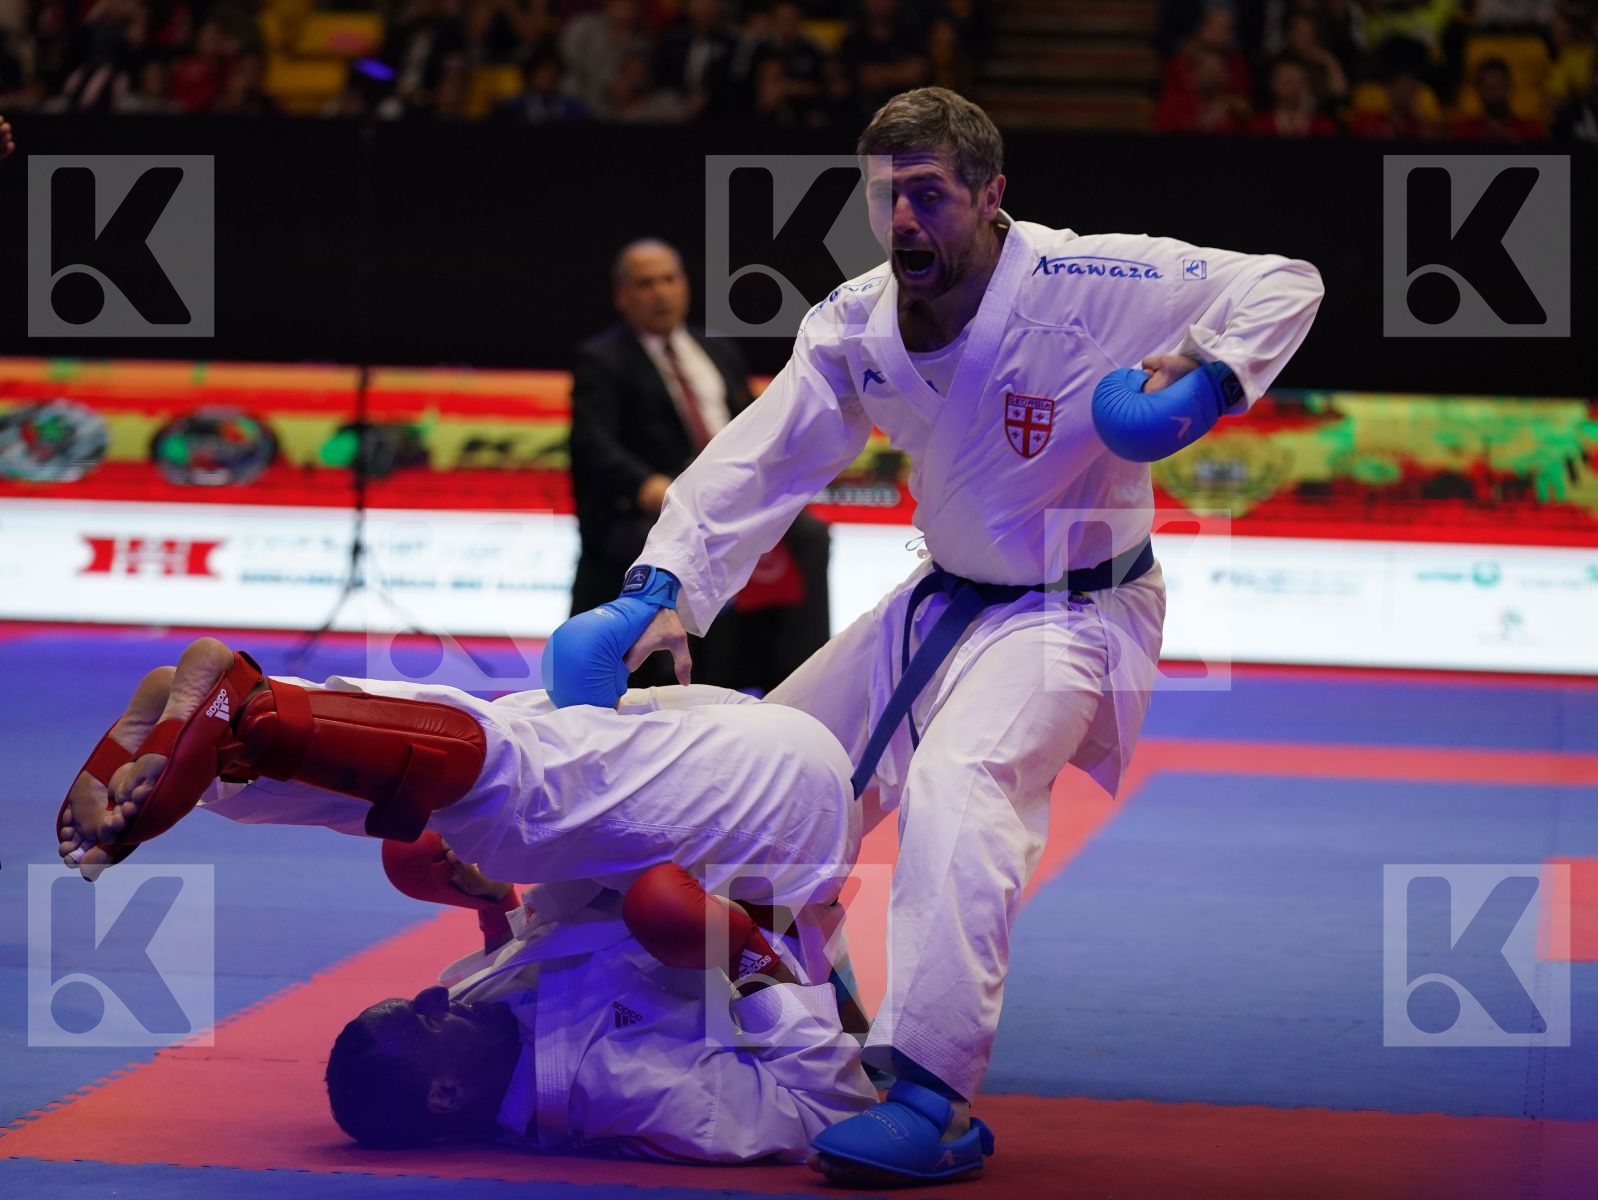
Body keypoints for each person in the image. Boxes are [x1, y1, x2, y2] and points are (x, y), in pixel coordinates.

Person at [544, 87, 1323, 1186]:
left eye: (925, 195)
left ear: (990, 196)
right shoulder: (857, 319)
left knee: (963, 788)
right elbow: (763, 456)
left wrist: (1201, 384)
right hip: (935, 601)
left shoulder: (1088, 280)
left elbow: (1282, 281)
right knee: (765, 770)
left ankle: (931, 1092)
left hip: (1068, 612)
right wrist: (656, 587)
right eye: (882, 196)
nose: (901, 220)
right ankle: (821, 993)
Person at [52, 639, 875, 1160]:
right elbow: (826, 1105)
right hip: (776, 829)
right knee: (530, 794)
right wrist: (743, 957)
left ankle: (231, 756)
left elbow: (569, 950)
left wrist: (492, 909)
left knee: (437, 821)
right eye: (426, 1015)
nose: (439, 989)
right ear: (445, 1093)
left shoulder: (484, 1029)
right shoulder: (619, 1094)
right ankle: (251, 712)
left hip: (685, 769)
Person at [568, 239, 830, 694]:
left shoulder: (717, 350)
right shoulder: (602, 361)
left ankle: (800, 682)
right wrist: (647, 485)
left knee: (808, 534)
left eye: (670, 280)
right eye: (646, 284)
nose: (661, 293)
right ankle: (687, 681)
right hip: (654, 507)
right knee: (681, 546)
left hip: (732, 497)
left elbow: (757, 423)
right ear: (623, 296)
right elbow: (593, 444)